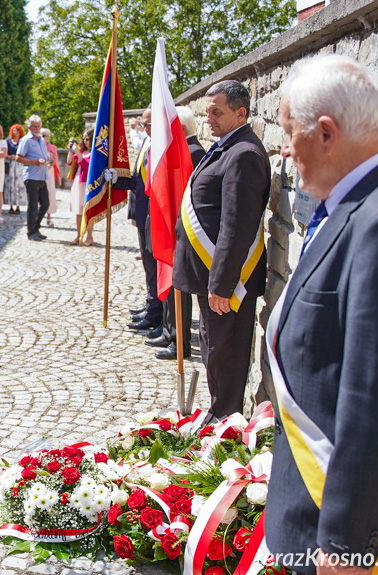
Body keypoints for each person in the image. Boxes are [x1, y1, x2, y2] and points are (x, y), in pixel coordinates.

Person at [267, 54, 378, 575]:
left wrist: (348, 545)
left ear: (325, 133)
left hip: (340, 542)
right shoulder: (350, 207)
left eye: (288, 132)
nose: (284, 148)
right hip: (307, 505)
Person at [173, 80, 269, 420]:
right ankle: (218, 414)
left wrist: (222, 283)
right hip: (211, 273)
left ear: (240, 113)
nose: (208, 118)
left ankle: (225, 421)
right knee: (213, 349)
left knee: (224, 354)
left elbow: (236, 225)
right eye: (208, 110)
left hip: (227, 281)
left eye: (217, 112)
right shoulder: (226, 146)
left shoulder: (244, 154)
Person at [148, 106, 204, 360]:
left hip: (181, 229)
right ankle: (171, 331)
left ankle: (179, 339)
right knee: (170, 285)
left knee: (178, 287)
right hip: (173, 228)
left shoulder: (192, 152)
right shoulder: (182, 149)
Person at [127, 111, 161, 333]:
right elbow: (138, 179)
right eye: (143, 122)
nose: (143, 126)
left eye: (147, 123)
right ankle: (151, 303)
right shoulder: (148, 141)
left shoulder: (159, 145)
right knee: (148, 266)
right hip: (141, 212)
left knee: (154, 265)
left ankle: (156, 312)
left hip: (153, 214)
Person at [16, 115, 52, 241]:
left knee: (46, 204)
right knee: (33, 206)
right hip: (31, 176)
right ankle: (31, 232)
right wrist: (35, 162)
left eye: (38, 126)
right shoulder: (26, 140)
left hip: (42, 176)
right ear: (29, 127)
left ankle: (35, 227)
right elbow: (18, 157)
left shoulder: (41, 139)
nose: (37, 128)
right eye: (34, 126)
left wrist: (47, 161)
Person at [66, 129, 94, 246]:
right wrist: (71, 151)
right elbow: (69, 162)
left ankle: (89, 236)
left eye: (87, 139)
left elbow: (88, 166)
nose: (85, 141)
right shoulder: (81, 151)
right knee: (78, 210)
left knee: (88, 210)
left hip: (88, 182)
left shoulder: (94, 153)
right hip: (78, 181)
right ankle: (79, 235)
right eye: (83, 139)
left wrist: (77, 153)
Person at [4, 124, 26, 215]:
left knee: (19, 185)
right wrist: (10, 156)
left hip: (19, 165)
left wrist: (17, 157)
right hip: (10, 164)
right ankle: (10, 206)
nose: (15, 132)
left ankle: (18, 206)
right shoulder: (8, 141)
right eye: (14, 130)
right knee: (10, 185)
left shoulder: (23, 141)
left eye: (17, 130)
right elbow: (4, 153)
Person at [41, 128, 60, 227]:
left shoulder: (52, 147)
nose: (42, 138)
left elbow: (54, 160)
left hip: (49, 172)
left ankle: (49, 217)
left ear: (48, 137)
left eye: (43, 136)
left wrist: (51, 164)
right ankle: (37, 217)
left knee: (49, 193)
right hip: (38, 172)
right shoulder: (36, 147)